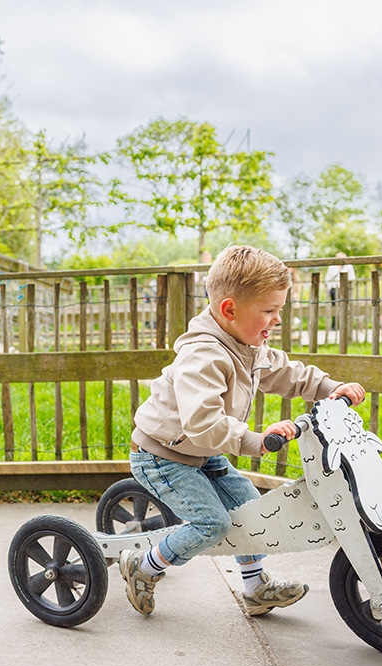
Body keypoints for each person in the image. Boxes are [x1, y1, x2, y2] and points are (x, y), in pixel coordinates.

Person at [124, 245, 366, 617]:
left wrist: (330, 388)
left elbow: (288, 373)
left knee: (252, 511)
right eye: (268, 311)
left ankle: (256, 589)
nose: (276, 320)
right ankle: (143, 567)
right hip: (163, 456)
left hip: (202, 451)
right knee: (213, 524)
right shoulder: (203, 356)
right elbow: (202, 422)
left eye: (279, 310)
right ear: (229, 309)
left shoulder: (247, 345)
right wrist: (254, 440)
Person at [323, 252, 355, 330]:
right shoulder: (332, 267)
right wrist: (331, 287)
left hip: (345, 289)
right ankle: (335, 325)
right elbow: (327, 279)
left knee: (345, 306)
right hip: (334, 289)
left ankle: (344, 324)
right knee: (334, 306)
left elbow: (352, 278)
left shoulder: (349, 266)